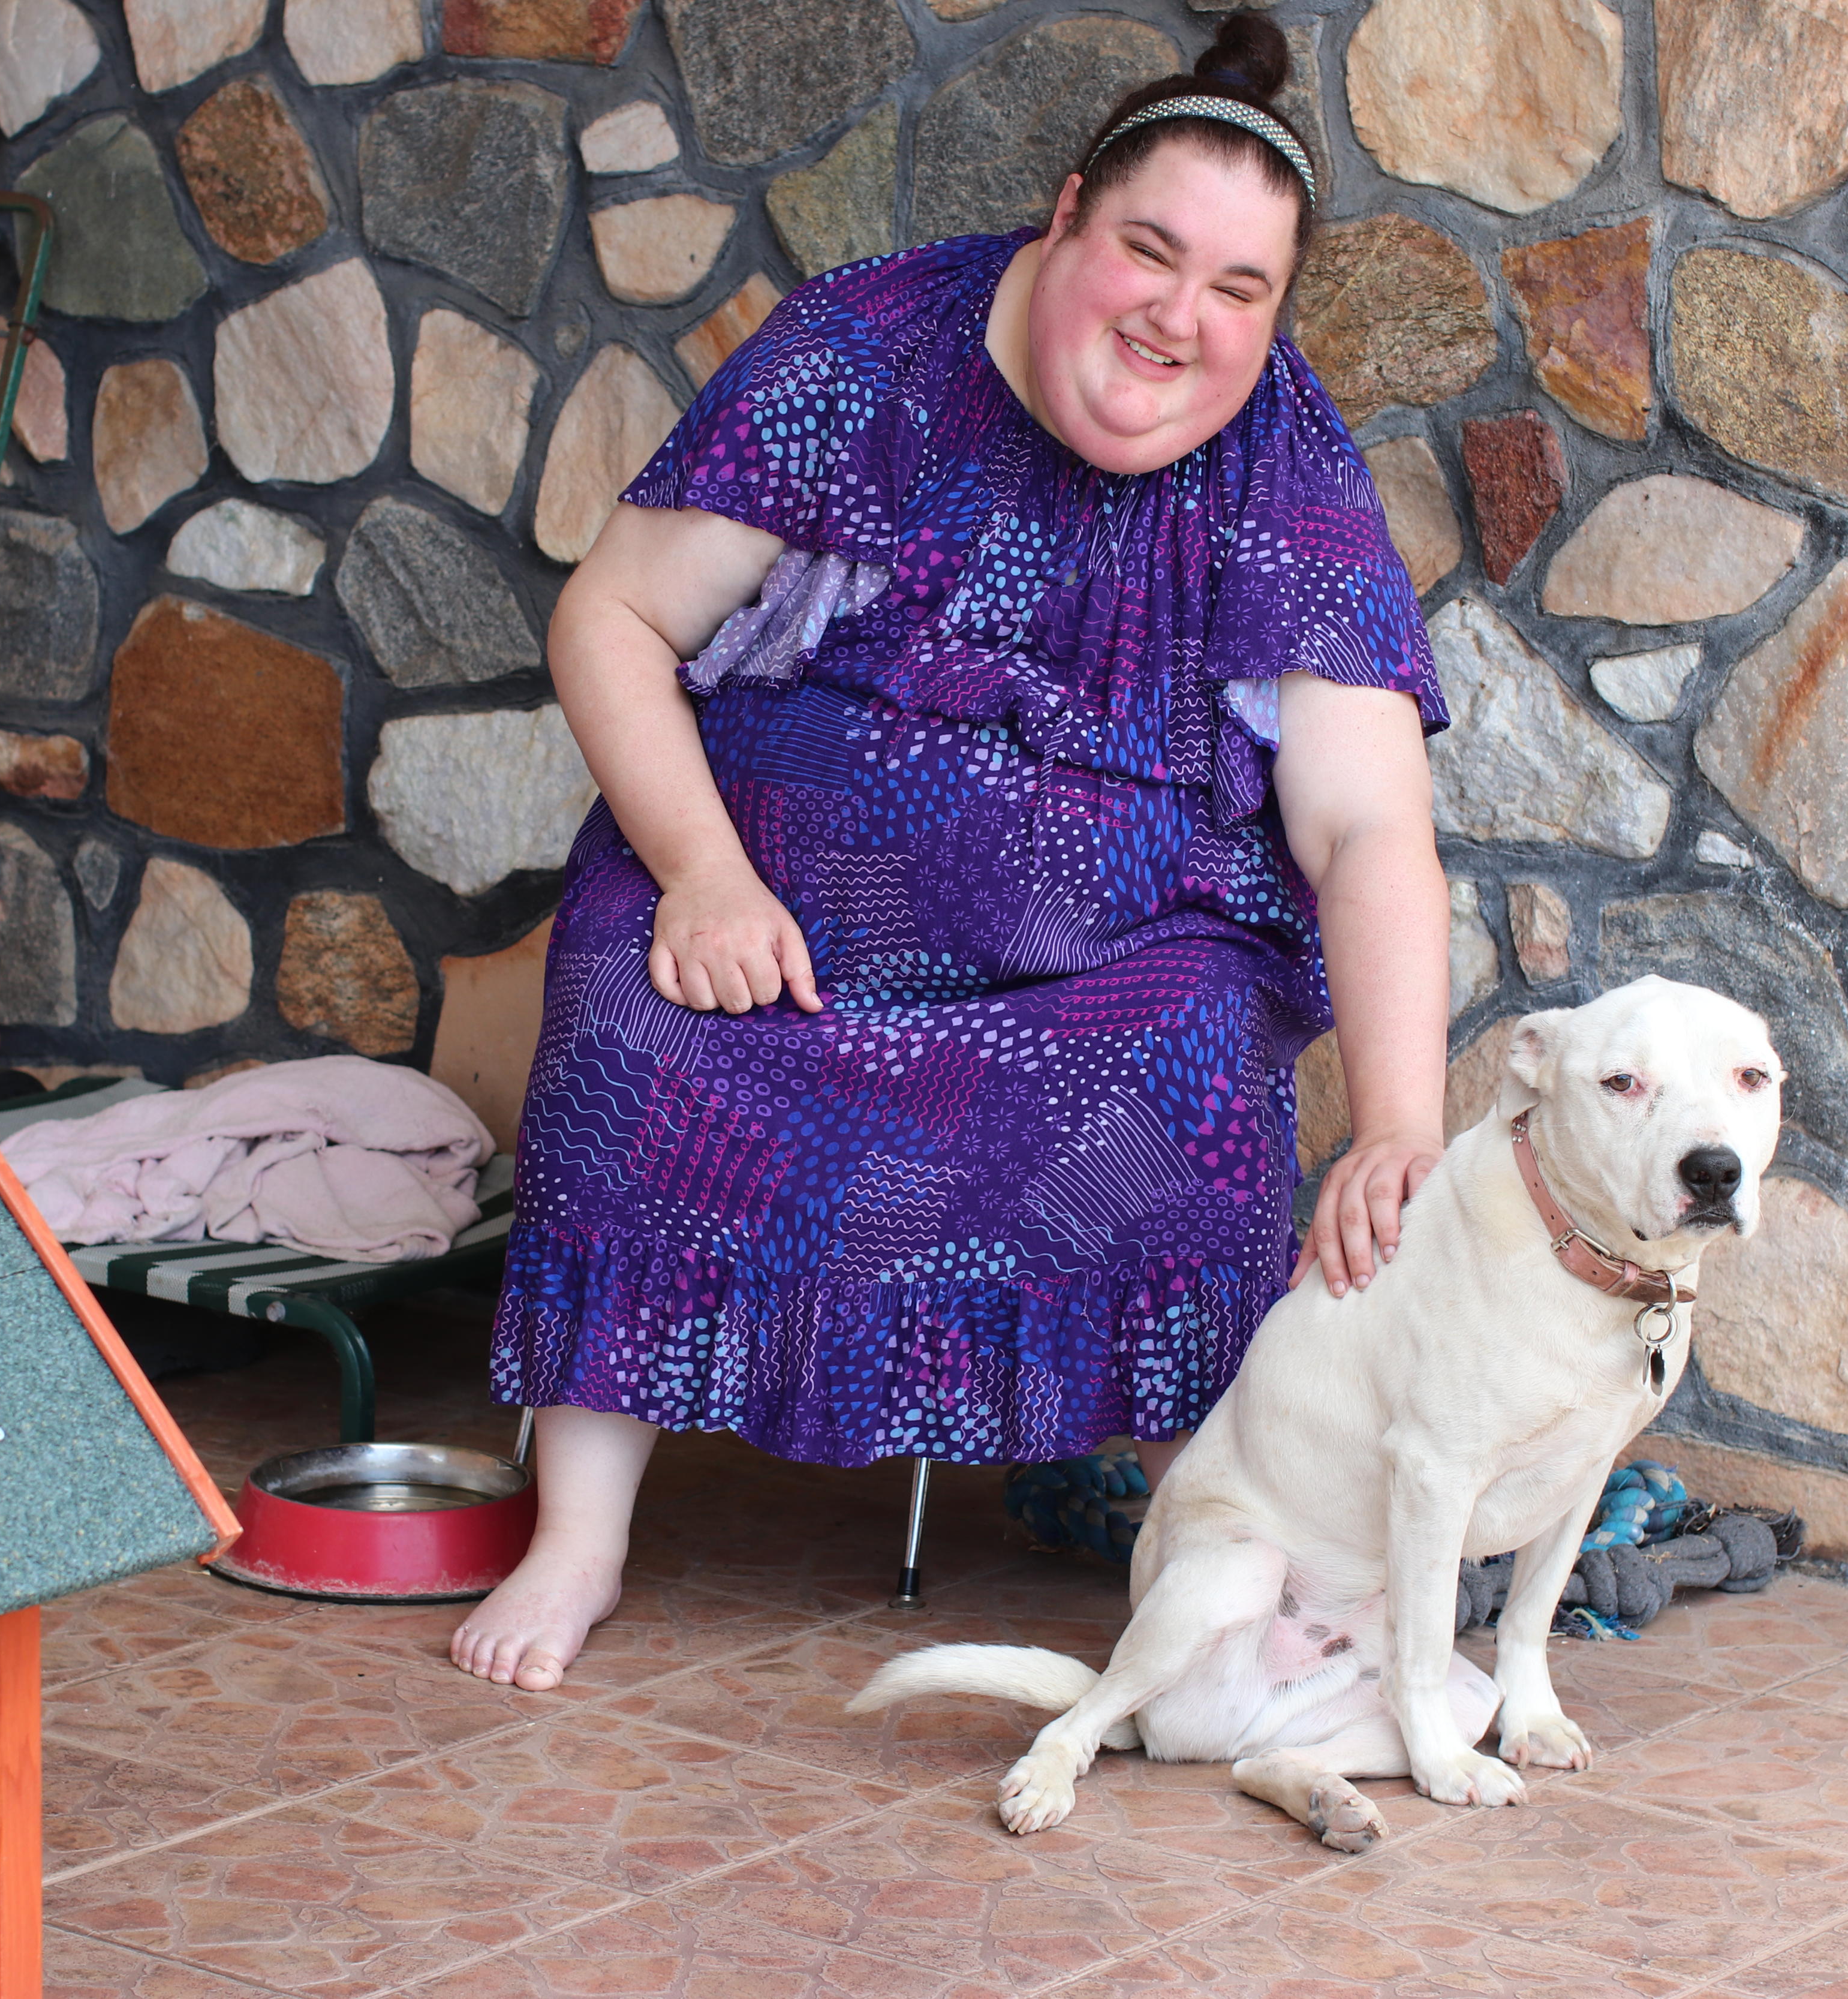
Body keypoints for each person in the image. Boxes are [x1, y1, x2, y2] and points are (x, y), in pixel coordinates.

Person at [453, 14, 1450, 1691]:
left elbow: (1364, 826)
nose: (1179, 318)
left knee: (1204, 1063)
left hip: (1111, 967)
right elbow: (611, 615)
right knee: (632, 1010)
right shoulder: (866, 348)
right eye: (1147, 252)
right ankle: (582, 1538)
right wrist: (701, 871)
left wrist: (1406, 1123)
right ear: (1065, 218)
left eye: (1237, 291)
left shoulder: (1284, 460)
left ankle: (1206, 1535)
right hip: (765, 914)